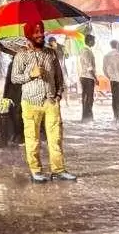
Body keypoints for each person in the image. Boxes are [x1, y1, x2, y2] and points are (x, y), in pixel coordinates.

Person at [10, 22, 77, 183]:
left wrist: (59, 95)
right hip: (30, 102)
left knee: (56, 138)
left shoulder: (51, 54)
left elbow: (59, 77)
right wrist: (31, 75)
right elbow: (14, 78)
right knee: (32, 138)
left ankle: (58, 169)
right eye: (36, 32)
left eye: (41, 31)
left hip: (51, 101)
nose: (40, 35)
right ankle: (36, 171)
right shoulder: (21, 55)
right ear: (29, 35)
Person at [101, 40, 119, 122]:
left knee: (115, 98)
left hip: (113, 80)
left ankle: (115, 116)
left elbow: (104, 69)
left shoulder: (106, 56)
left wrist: (109, 77)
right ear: (117, 45)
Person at [77, 39, 96, 123]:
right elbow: (89, 66)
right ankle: (87, 117)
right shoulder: (86, 51)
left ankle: (87, 116)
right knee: (88, 98)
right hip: (88, 77)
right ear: (89, 41)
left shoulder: (85, 51)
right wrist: (95, 77)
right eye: (93, 40)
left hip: (85, 77)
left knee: (87, 98)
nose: (94, 42)